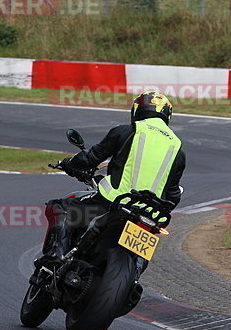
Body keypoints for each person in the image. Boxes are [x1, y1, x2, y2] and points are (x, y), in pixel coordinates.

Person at [37, 90, 186, 267]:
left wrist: (69, 163)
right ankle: (134, 279)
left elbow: (89, 159)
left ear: (137, 110)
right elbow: (173, 195)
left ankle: (56, 254)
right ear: (167, 115)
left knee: (60, 207)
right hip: (149, 214)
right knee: (144, 250)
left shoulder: (125, 132)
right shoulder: (178, 149)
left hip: (112, 203)